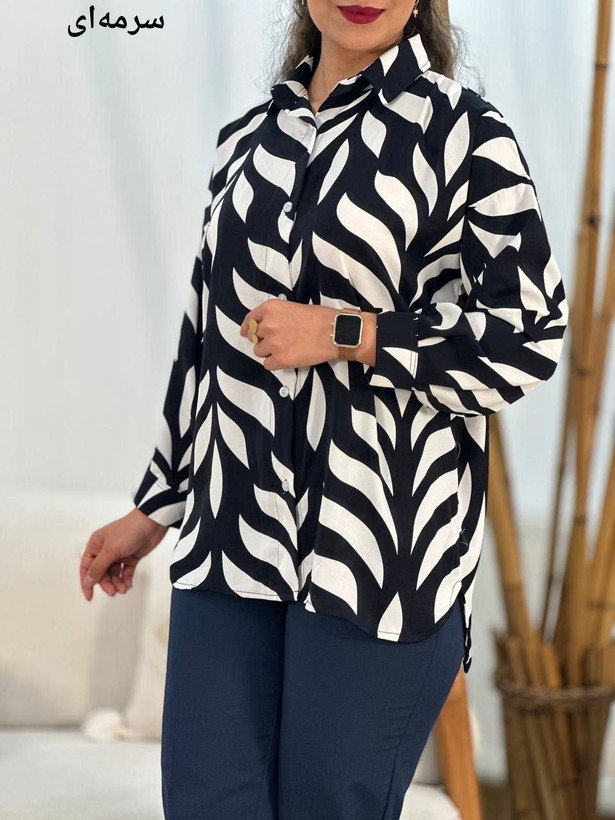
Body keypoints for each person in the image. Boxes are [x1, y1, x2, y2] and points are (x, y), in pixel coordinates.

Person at [79, 1, 569, 817]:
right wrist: (156, 505)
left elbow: (528, 336)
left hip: (378, 553)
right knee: (205, 804)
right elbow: (204, 344)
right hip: (231, 537)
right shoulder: (245, 142)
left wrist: (347, 332)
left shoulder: (464, 135)